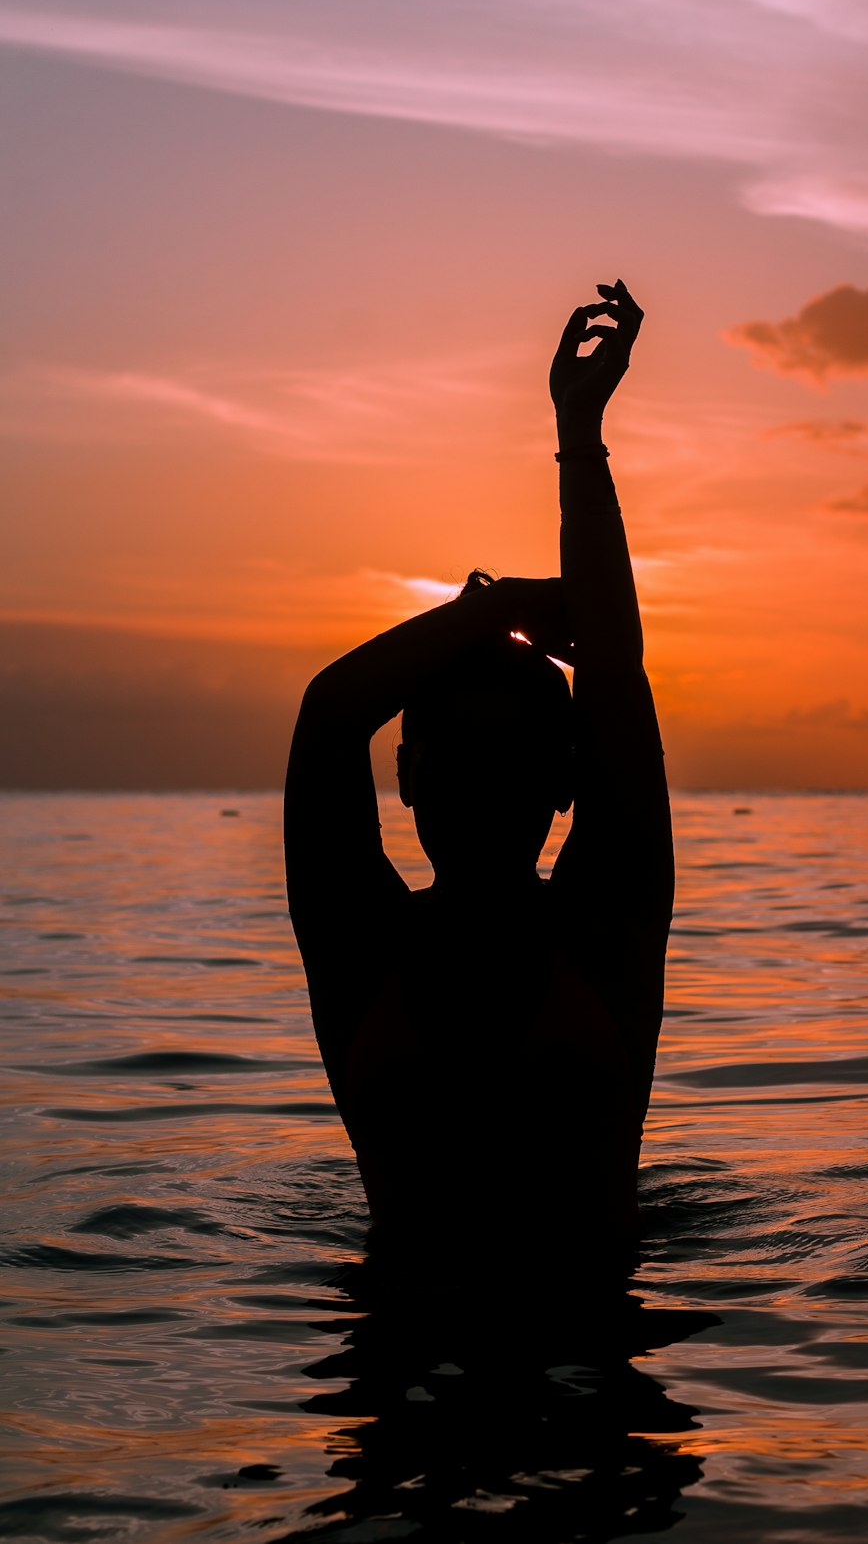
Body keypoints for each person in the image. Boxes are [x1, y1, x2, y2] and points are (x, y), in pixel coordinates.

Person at [284, 279, 673, 1262]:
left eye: (512, 755)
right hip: (399, 1365)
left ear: (563, 781)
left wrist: (577, 432)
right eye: (458, 753)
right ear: (408, 774)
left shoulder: (605, 926)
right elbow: (329, 719)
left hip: (589, 1370)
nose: (481, 780)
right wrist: (481, 612)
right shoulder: (361, 941)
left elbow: (615, 669)